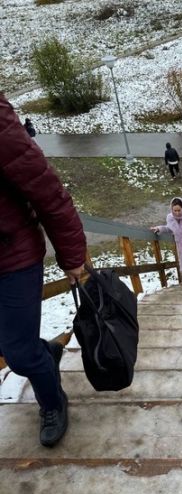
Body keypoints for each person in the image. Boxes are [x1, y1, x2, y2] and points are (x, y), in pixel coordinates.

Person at [0, 94, 86, 447]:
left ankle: (52, 401)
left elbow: (47, 191)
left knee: (18, 353)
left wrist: (73, 258)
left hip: (11, 255)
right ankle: (45, 353)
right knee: (15, 343)